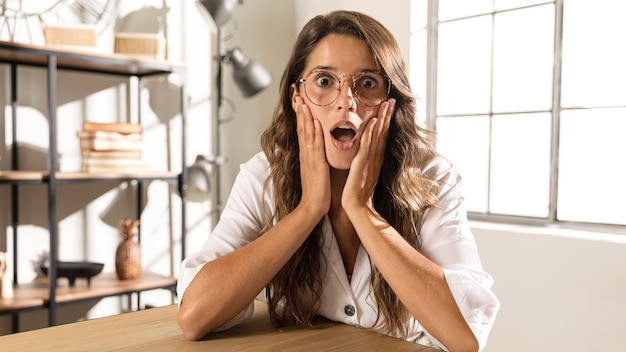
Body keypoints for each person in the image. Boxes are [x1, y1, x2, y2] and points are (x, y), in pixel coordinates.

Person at [177, 10, 499, 352]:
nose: (346, 102)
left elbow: (466, 336)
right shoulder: (263, 176)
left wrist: (362, 210)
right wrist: (308, 210)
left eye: (367, 83)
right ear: (296, 98)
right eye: (325, 81)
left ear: (391, 103)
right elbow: (195, 316)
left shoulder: (432, 177)